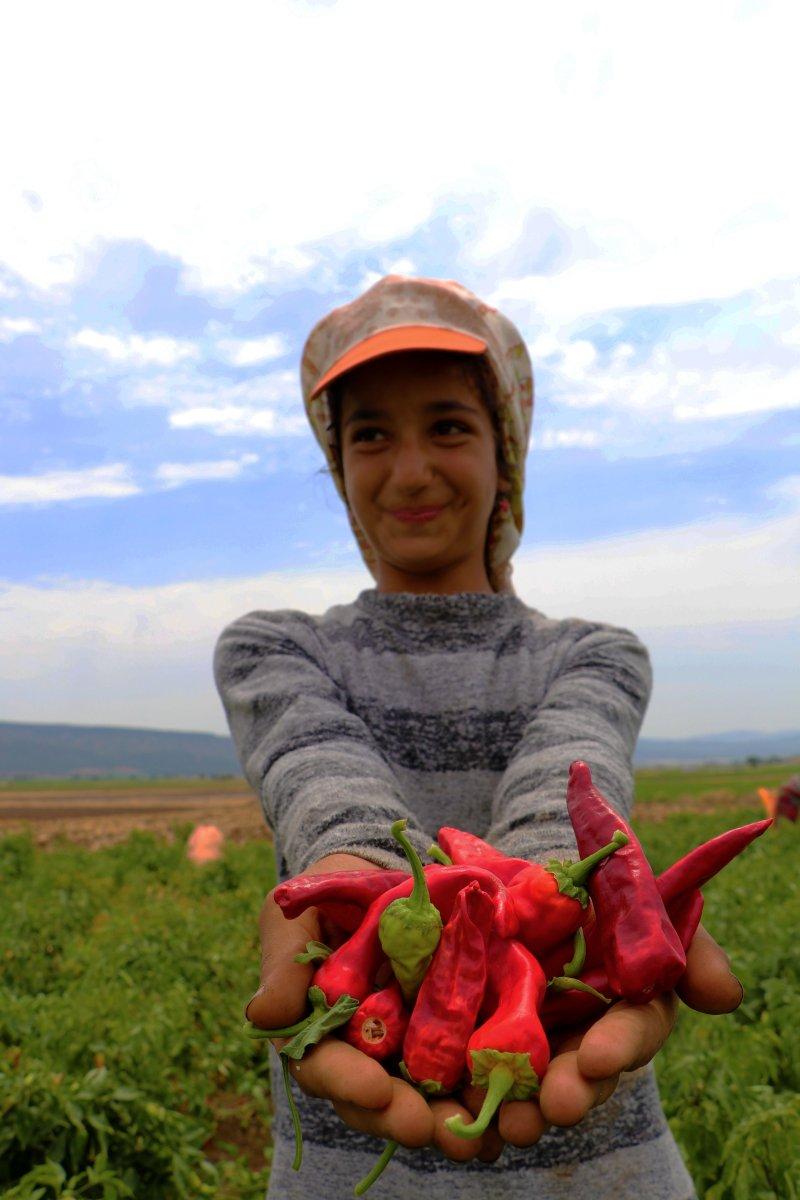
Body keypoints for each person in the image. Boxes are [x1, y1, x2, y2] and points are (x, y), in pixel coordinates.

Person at [213, 274, 743, 1200]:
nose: (410, 469)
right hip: (350, 1167)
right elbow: (319, 774)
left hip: (600, 1163)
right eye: (369, 433)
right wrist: (362, 883)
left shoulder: (595, 654)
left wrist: (549, 896)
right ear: (337, 467)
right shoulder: (275, 649)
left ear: (508, 453)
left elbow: (570, 779)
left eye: (449, 426)